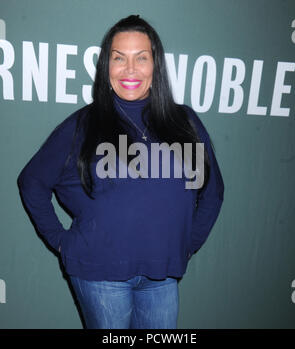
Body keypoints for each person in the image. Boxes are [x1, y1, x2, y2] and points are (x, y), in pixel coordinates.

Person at [17, 15, 224, 329]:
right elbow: (32, 181)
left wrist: (188, 243)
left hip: (163, 275)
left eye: (141, 58)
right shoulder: (82, 125)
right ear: (106, 68)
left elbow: (212, 192)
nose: (130, 69)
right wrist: (60, 241)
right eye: (119, 58)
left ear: (156, 67)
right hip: (98, 274)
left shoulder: (185, 122)